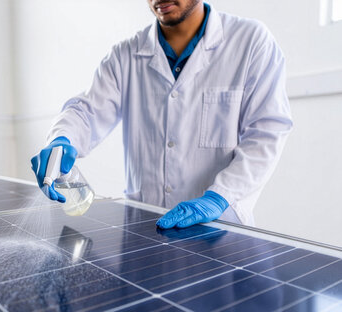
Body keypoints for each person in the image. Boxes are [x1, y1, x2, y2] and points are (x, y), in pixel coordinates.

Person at [30, 0, 292, 228]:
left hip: (219, 229)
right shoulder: (126, 55)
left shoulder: (250, 41)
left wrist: (220, 197)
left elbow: (267, 132)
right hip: (145, 228)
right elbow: (87, 112)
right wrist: (62, 138)